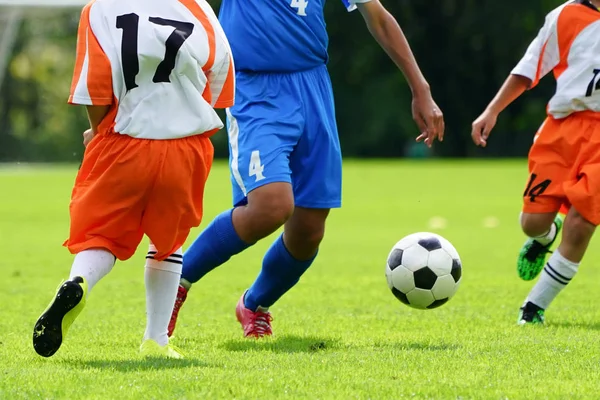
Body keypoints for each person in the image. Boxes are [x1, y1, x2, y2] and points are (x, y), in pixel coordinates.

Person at [168, 0, 444, 338]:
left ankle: (254, 305)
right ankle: (174, 285)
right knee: (271, 206)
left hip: (313, 88)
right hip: (256, 90)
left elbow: (379, 18)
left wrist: (421, 88)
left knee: (309, 230)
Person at [32, 0, 234, 358]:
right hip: (184, 148)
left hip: (124, 142)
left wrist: (98, 133)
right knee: (169, 242)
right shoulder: (198, 7)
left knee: (100, 235)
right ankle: (157, 340)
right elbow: (219, 79)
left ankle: (79, 282)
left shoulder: (99, 9)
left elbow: (93, 88)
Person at [471, 0, 600, 324]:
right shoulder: (565, 16)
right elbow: (528, 69)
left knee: (582, 222)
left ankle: (533, 307)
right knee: (532, 223)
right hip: (563, 129)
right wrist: (492, 111)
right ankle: (545, 234)